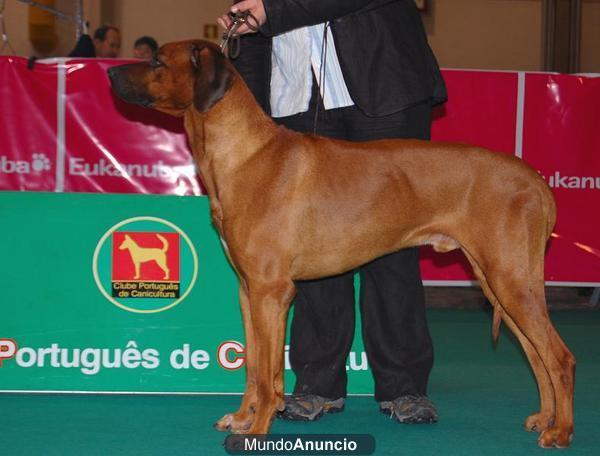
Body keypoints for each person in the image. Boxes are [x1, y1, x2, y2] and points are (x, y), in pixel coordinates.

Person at [219, 0, 447, 424]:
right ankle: (317, 383)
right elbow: (250, 33)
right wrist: (252, 107)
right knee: (307, 246)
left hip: (381, 84)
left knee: (392, 243)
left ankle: (404, 386)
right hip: (295, 94)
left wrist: (271, 11)